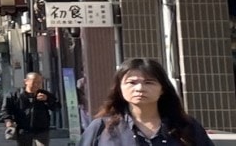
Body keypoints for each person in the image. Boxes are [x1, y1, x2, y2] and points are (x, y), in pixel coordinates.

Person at [80, 58, 214, 146]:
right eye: (132, 83)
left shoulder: (186, 126)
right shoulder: (102, 128)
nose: (139, 88)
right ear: (120, 88)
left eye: (149, 82)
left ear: (162, 89)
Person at [2, 71, 60, 146]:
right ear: (26, 81)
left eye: (39, 82)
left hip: (41, 129)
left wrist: (47, 99)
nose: (37, 85)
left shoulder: (45, 94)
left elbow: (57, 107)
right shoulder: (14, 95)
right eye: (34, 82)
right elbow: (5, 110)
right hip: (23, 129)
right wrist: (8, 120)